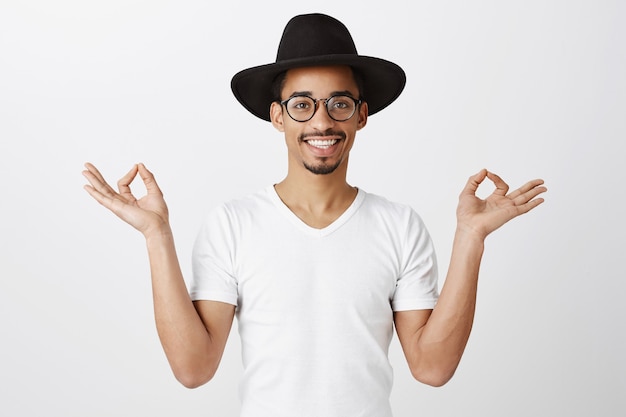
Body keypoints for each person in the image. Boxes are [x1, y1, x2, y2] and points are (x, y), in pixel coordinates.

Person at [82, 13, 546, 417]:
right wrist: (156, 234)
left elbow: (432, 367)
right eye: (302, 104)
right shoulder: (233, 224)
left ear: (361, 115)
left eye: (338, 103)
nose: (322, 122)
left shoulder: (399, 226)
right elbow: (193, 368)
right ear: (278, 116)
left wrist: (470, 237)